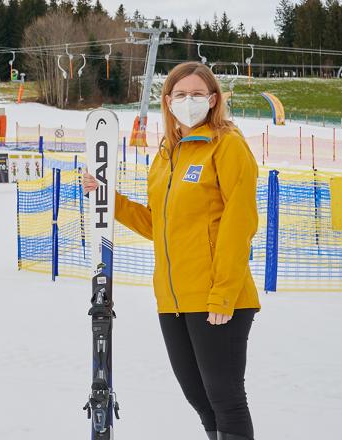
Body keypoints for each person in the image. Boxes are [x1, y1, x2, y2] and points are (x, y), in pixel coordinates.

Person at [83, 61, 261, 440]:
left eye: (197, 94)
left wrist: (223, 293)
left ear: (213, 100)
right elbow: (156, 225)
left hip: (217, 297)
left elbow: (239, 221)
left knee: (225, 398)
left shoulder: (227, 146)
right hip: (173, 299)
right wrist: (108, 199)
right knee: (198, 397)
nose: (188, 101)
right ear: (167, 101)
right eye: (180, 95)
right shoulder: (166, 157)